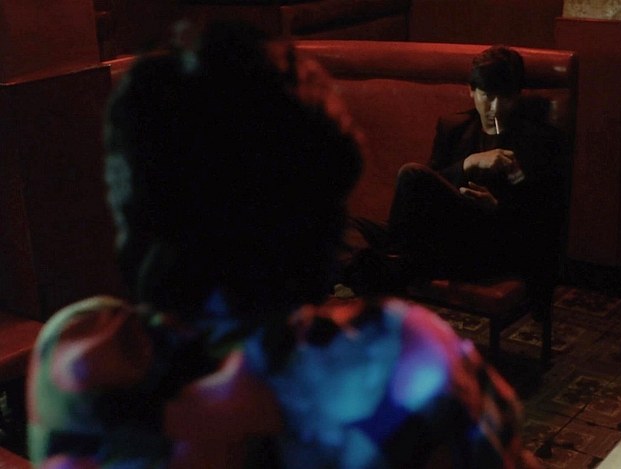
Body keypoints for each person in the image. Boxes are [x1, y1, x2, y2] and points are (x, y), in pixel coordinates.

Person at [26, 22, 540, 468]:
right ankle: (385, 263)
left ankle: (384, 264)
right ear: (319, 221)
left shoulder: (79, 358)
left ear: (131, 217)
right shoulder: (408, 359)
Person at [347, 45, 569, 308]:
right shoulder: (453, 128)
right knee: (343, 224)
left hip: (488, 243)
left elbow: (544, 220)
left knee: (411, 173)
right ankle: (390, 266)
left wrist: (497, 207)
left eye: (505, 98)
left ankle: (389, 267)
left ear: (517, 96)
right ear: (472, 91)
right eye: (487, 96)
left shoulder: (539, 140)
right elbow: (424, 189)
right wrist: (467, 164)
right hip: (437, 236)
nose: (495, 108)